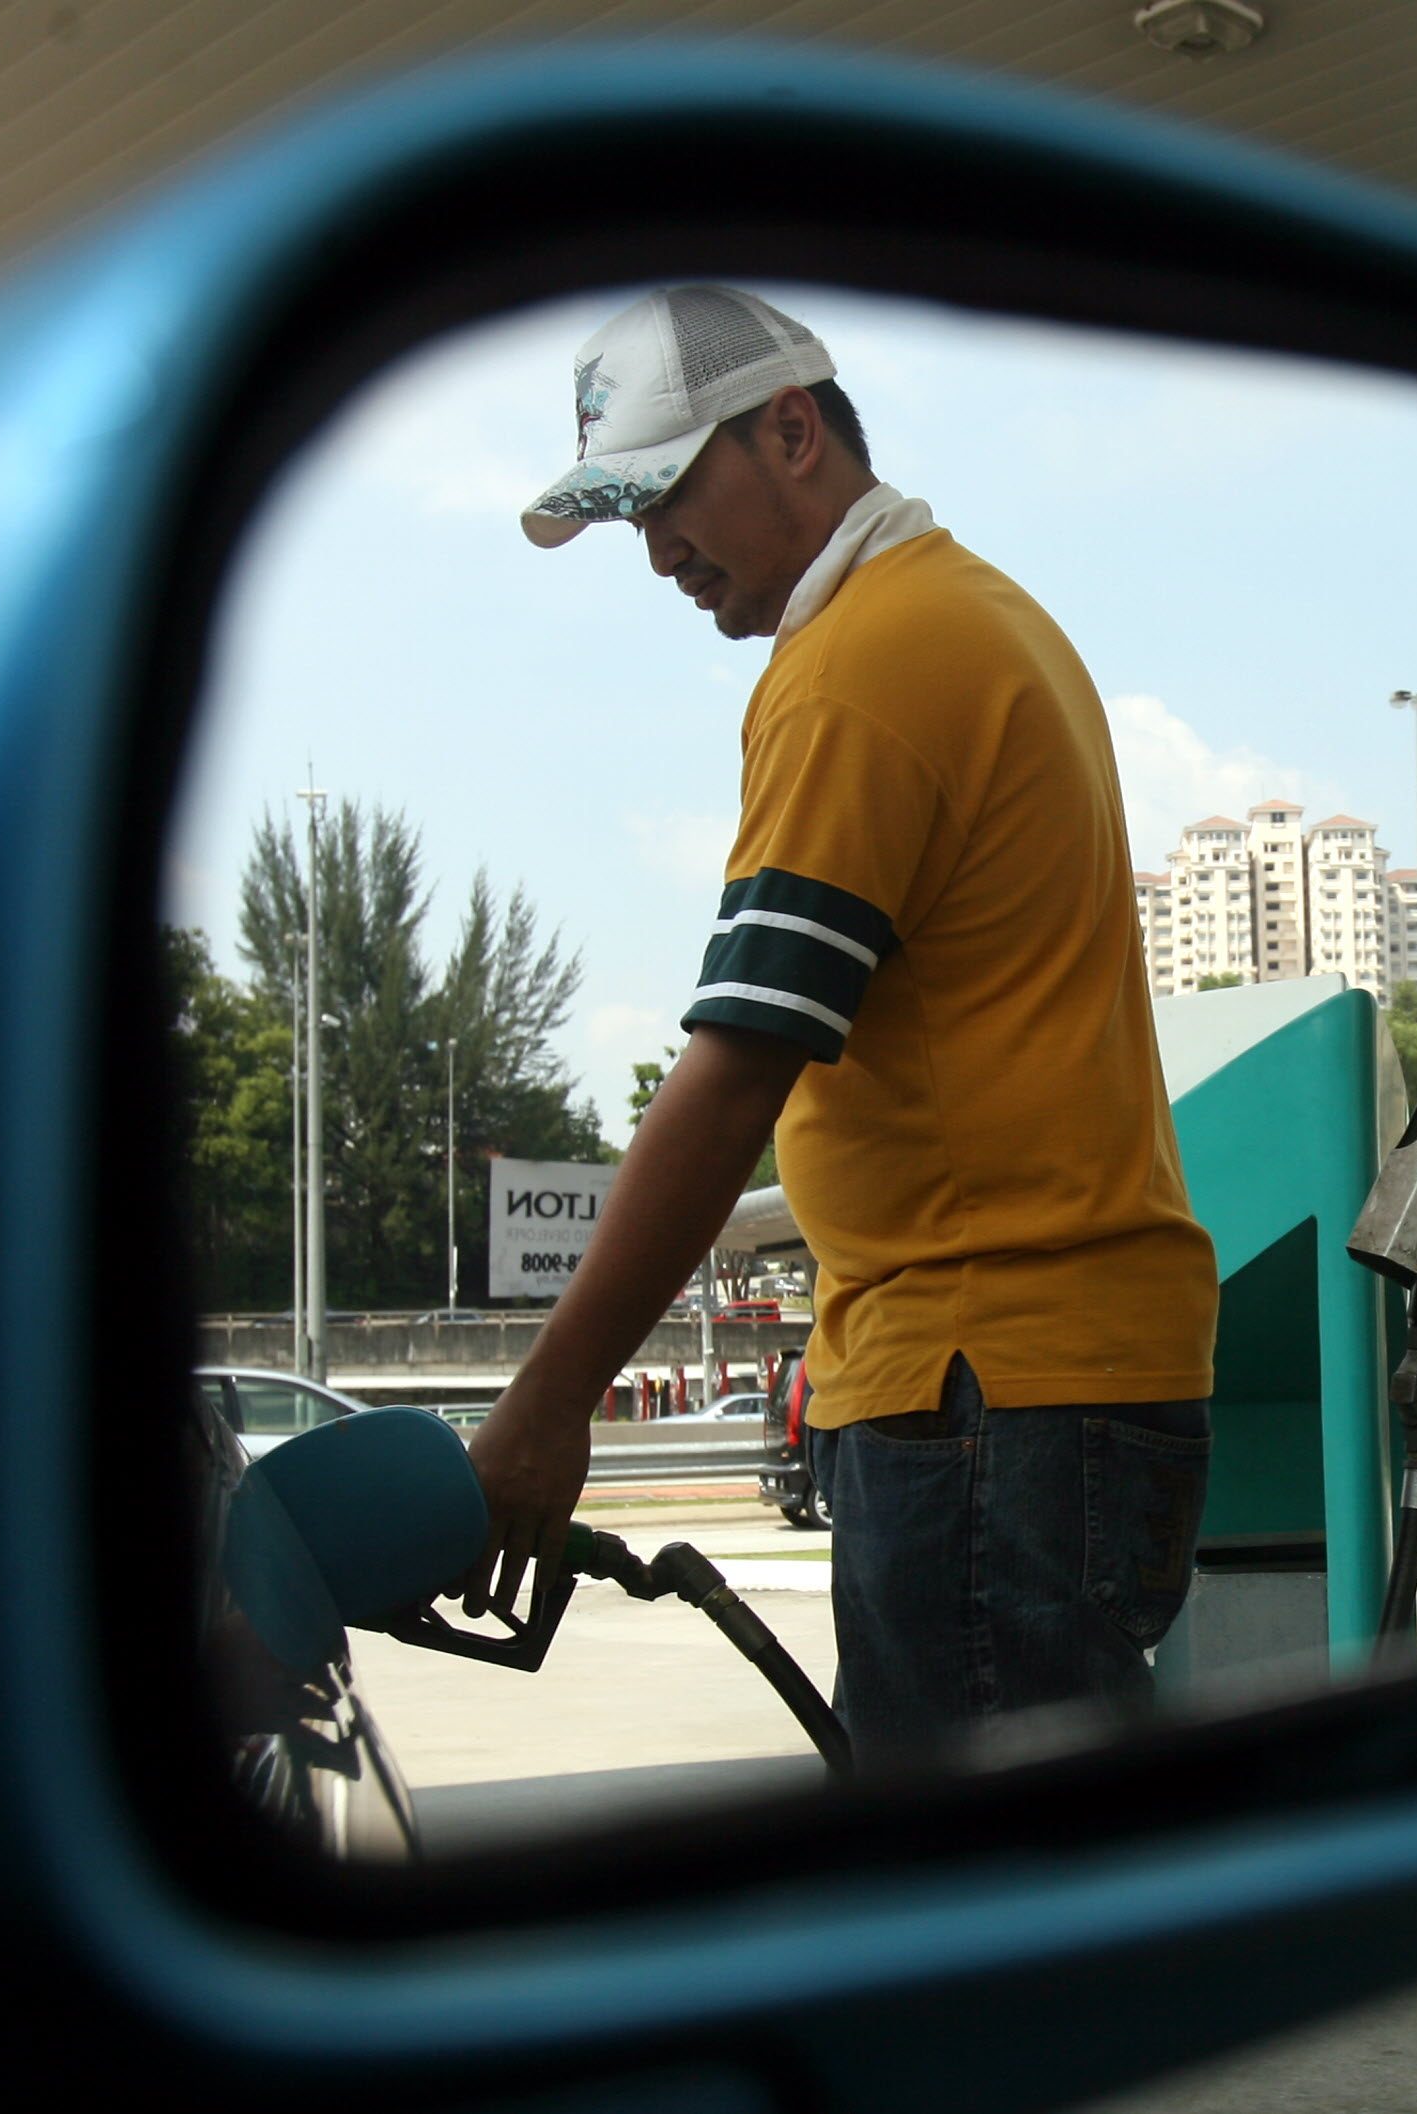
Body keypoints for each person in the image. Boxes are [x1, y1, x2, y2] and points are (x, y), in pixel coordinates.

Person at [467, 286, 1219, 1762]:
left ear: (792, 429)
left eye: (671, 493)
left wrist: (552, 1402)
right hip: (1053, 1372)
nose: (659, 550)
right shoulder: (983, 612)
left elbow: (740, 1062)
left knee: (990, 1942)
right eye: (629, 518)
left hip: (981, 1378)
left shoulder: (859, 666)